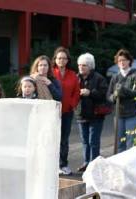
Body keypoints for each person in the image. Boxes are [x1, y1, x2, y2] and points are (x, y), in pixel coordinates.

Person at [75, 53, 108, 172]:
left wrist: (90, 93)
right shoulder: (76, 77)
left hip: (96, 115)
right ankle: (86, 162)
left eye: (84, 65)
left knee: (93, 141)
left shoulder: (99, 78)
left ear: (90, 66)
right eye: (79, 65)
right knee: (84, 141)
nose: (81, 67)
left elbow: (104, 96)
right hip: (81, 114)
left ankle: (94, 164)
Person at [107, 49, 136, 153]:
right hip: (119, 114)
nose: (122, 63)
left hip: (132, 114)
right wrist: (114, 96)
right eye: (119, 61)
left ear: (129, 61)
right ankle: (120, 167)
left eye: (124, 60)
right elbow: (108, 96)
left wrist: (125, 91)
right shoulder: (115, 77)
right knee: (119, 143)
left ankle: (130, 167)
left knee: (131, 143)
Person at [52, 46, 80, 175]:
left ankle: (63, 164)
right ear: (55, 59)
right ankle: (53, 165)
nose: (61, 60)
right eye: (59, 58)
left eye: (64, 58)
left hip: (67, 112)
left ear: (68, 60)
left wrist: (72, 104)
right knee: (52, 139)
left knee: (64, 139)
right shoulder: (51, 73)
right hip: (52, 112)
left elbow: (76, 92)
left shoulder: (72, 74)